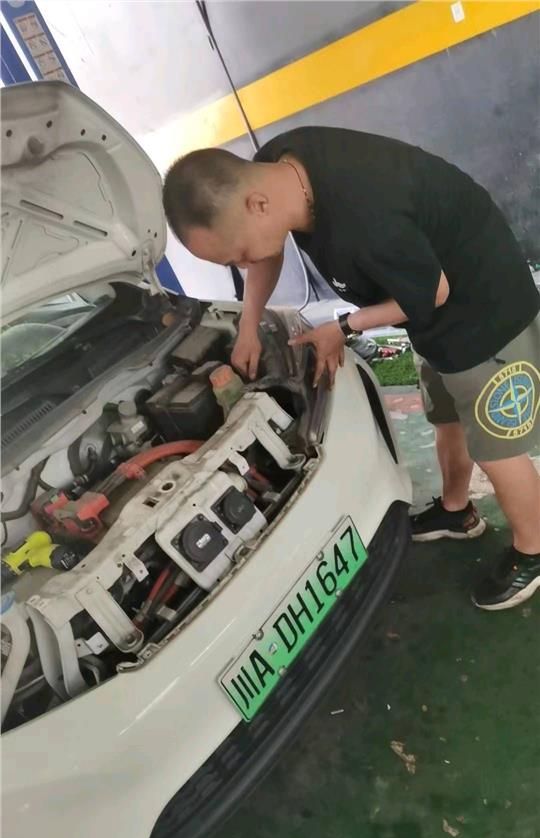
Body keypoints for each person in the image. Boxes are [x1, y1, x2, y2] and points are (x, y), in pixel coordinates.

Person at [162, 126, 540, 611]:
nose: (242, 263)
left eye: (238, 254)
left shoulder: (364, 213)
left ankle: (532, 551)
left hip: (483, 306)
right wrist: (249, 326)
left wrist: (343, 327)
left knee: (495, 446)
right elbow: (266, 251)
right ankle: (456, 511)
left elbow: (432, 293)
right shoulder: (276, 169)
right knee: (446, 417)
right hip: (430, 307)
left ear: (257, 205)